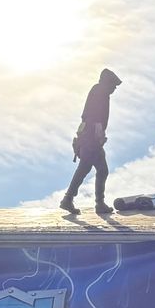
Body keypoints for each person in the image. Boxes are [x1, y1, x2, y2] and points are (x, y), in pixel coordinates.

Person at [61, 67, 121, 216]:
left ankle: (74, 200)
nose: (114, 89)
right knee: (93, 169)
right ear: (107, 83)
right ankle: (77, 200)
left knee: (91, 168)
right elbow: (94, 115)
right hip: (90, 138)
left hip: (89, 137)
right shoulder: (100, 91)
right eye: (113, 85)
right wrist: (98, 133)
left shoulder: (100, 91)